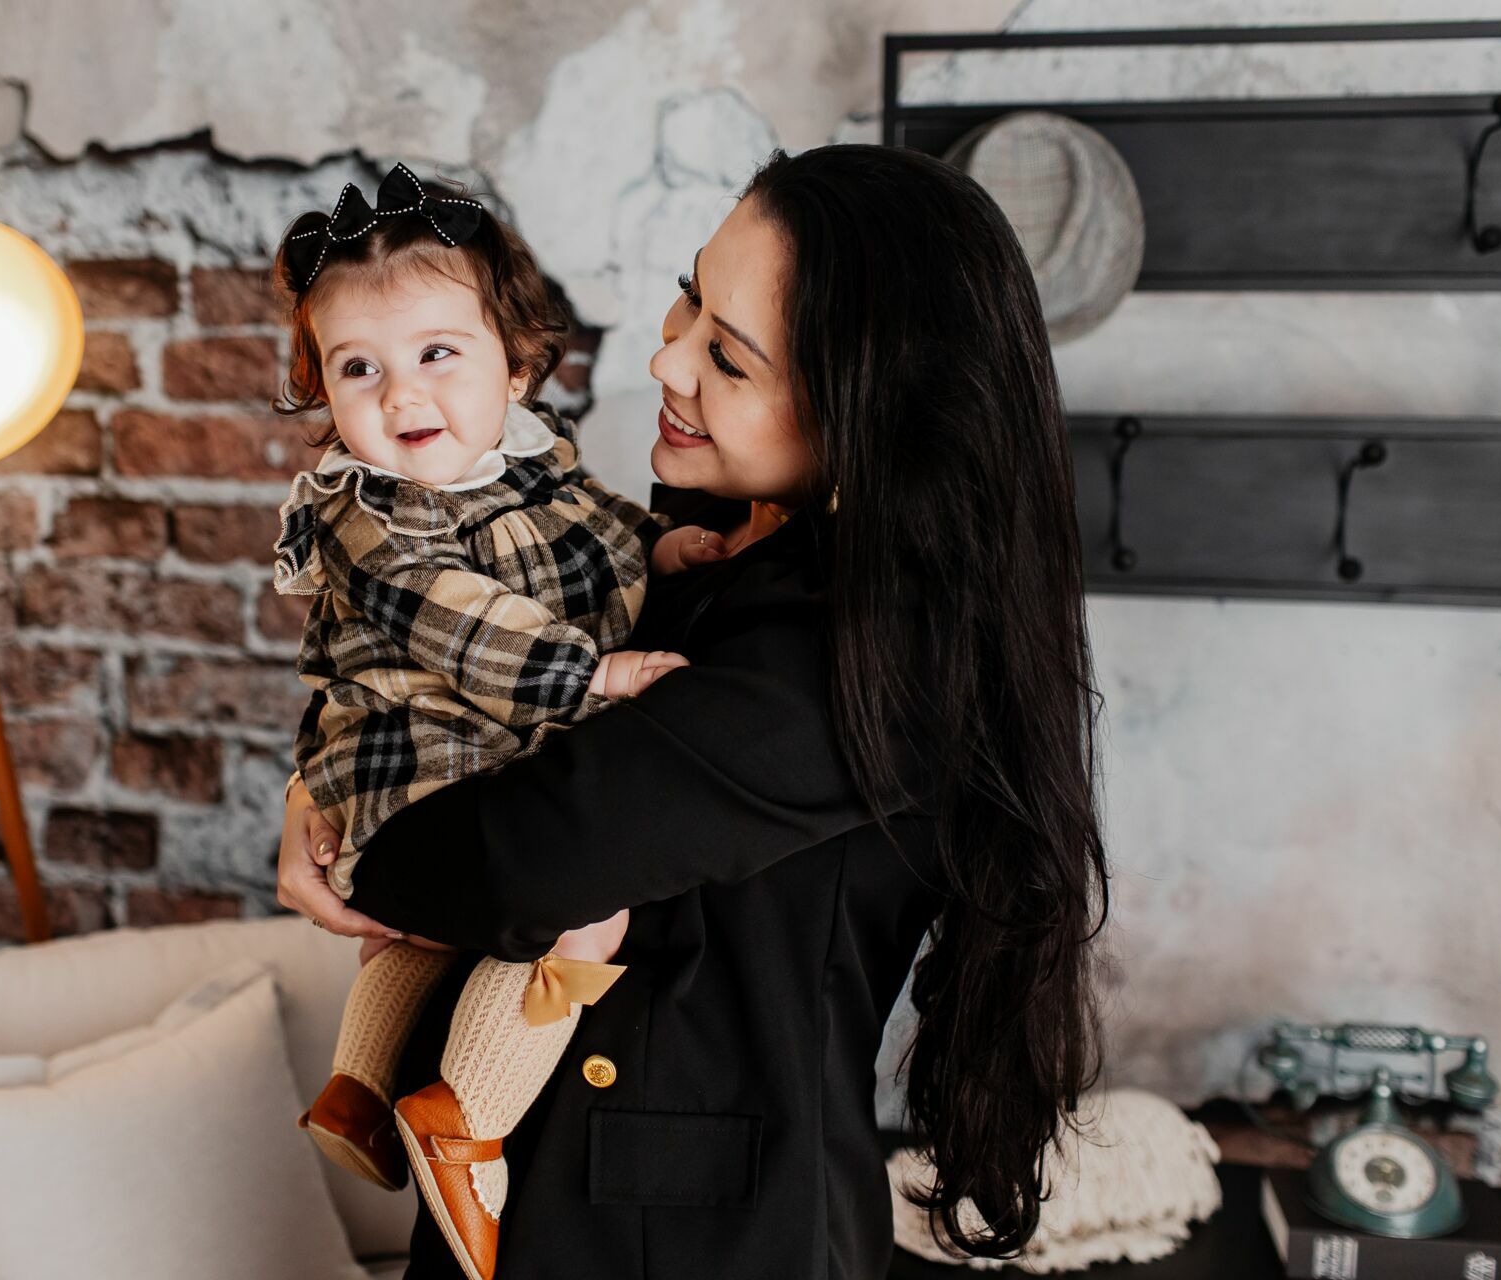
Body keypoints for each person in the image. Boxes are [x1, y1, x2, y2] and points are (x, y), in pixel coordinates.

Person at [281, 143, 1111, 1280]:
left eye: (726, 354)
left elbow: (525, 854)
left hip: (698, 1241)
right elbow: (417, 665)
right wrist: (317, 784)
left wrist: (359, 839)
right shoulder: (679, 547)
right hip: (525, 1209)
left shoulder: (876, 650)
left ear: (862, 410)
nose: (667, 357)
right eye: (690, 296)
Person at [267, 163, 725, 1280]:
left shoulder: (528, 466)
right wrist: (600, 679)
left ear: (515, 366)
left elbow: (597, 530)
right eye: (357, 368)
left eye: (437, 353)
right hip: (422, 760)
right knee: (586, 916)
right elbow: (463, 626)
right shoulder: (366, 512)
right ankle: (463, 1116)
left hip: (454, 770)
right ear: (323, 391)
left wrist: (661, 549)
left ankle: (362, 1087)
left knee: (427, 930)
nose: (399, 394)